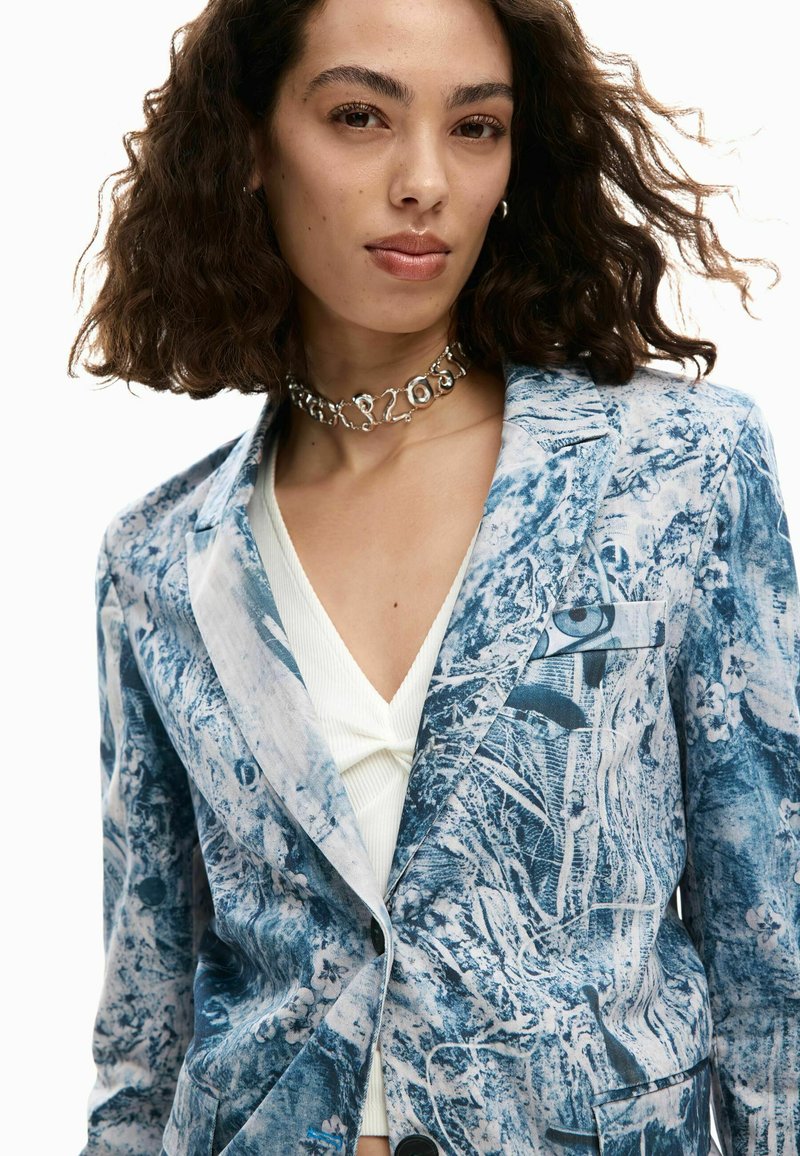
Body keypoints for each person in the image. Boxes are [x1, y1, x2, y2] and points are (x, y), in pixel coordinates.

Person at [70, 0, 800, 1153]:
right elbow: (143, 1029)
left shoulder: (671, 471)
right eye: (359, 116)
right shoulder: (159, 560)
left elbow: (772, 963)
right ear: (248, 144)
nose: (424, 182)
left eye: (474, 128)